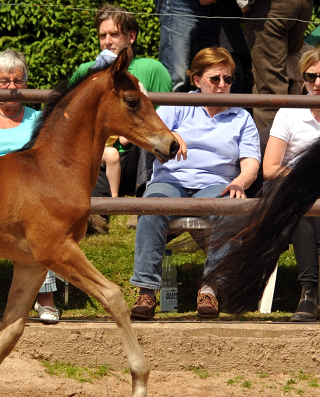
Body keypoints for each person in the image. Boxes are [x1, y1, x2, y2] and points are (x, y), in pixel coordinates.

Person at [129, 46, 260, 320]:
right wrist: (171, 135)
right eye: (215, 79)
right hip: (171, 179)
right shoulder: (177, 105)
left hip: (216, 183)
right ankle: (146, 291)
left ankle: (210, 288)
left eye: (228, 79)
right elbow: (144, 133)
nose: (222, 85)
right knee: (152, 206)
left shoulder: (241, 117)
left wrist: (239, 183)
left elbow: (251, 164)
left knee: (231, 207)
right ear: (197, 79)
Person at [68, 4, 172, 231]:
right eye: (102, 35)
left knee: (150, 137)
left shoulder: (152, 68)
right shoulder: (87, 70)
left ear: (131, 36)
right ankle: (94, 213)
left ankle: (144, 205)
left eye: (114, 34)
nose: (107, 41)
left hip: (138, 157)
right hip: (103, 157)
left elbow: (164, 117)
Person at [0, 49, 59, 324]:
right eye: (4, 81)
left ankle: (45, 299)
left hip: (29, 191)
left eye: (18, 80)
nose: (12, 88)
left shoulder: (38, 119)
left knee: (42, 223)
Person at [262, 47, 320, 322]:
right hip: (298, 187)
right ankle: (310, 291)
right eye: (311, 76)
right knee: (300, 203)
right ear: (303, 79)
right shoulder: (290, 113)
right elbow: (270, 167)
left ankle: (310, 295)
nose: (317, 83)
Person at [243, 0, 313, 130]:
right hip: (303, 6)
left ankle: (273, 146)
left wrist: (243, 3)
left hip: (271, 8)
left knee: (269, 88)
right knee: (277, 77)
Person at [156, 0, 251, 94]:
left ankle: (227, 109)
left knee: (226, 73)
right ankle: (169, 109)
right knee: (176, 77)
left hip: (219, 8)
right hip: (180, 4)